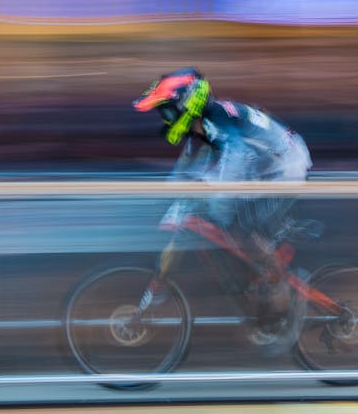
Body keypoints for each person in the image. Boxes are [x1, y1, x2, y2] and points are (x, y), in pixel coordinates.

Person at [133, 67, 313, 355]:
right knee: (223, 219)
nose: (164, 120)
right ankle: (261, 283)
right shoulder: (200, 128)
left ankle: (280, 292)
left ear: (186, 105)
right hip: (262, 167)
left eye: (166, 113)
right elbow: (185, 172)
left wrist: (210, 198)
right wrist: (165, 200)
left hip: (285, 166)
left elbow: (234, 163)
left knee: (244, 229)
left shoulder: (217, 121)